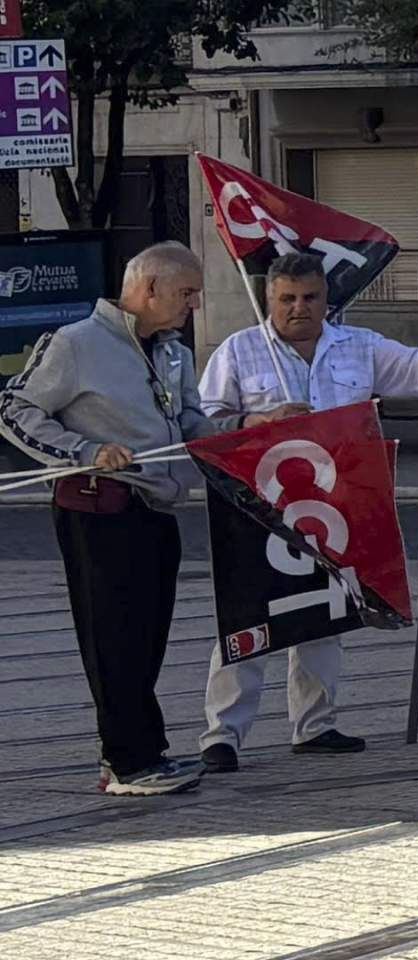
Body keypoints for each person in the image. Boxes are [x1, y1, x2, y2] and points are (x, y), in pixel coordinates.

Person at [0, 242, 301, 795]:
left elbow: (189, 423)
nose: (194, 305)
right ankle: (127, 762)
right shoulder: (76, 343)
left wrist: (250, 425)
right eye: (186, 293)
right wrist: (85, 451)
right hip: (99, 505)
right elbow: (13, 408)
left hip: (156, 507)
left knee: (146, 637)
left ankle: (141, 752)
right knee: (112, 637)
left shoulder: (172, 352)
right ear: (149, 288)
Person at [195, 252, 418, 772]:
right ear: (269, 298)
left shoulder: (358, 345)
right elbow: (205, 422)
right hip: (258, 505)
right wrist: (258, 420)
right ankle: (222, 735)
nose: (299, 307)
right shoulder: (239, 350)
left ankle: (315, 725)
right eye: (287, 299)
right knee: (248, 616)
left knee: (325, 614)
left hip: (335, 502)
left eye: (310, 297)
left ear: (325, 298)